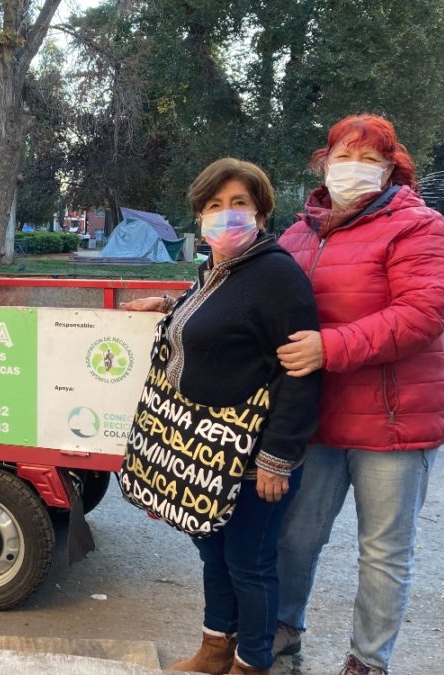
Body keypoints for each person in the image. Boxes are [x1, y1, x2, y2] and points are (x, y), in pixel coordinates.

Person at [272, 114, 444, 675]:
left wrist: (330, 348)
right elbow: (249, 289)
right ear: (324, 162)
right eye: (342, 154)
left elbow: (425, 311)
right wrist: (173, 307)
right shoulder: (299, 233)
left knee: (382, 555)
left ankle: (367, 662)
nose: (352, 167)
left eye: (367, 157)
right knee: (294, 542)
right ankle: (281, 646)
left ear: (390, 167)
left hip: (393, 423)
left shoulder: (421, 228)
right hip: (317, 420)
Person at [122, 158, 321, 675]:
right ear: (199, 215)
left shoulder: (277, 275)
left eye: (239, 204)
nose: (226, 215)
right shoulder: (215, 270)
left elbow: (301, 373)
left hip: (252, 457)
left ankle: (252, 663)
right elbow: (221, 321)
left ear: (260, 212)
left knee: (249, 565)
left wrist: (278, 458)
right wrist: (169, 305)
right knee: (214, 555)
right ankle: (215, 650)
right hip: (205, 453)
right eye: (214, 206)